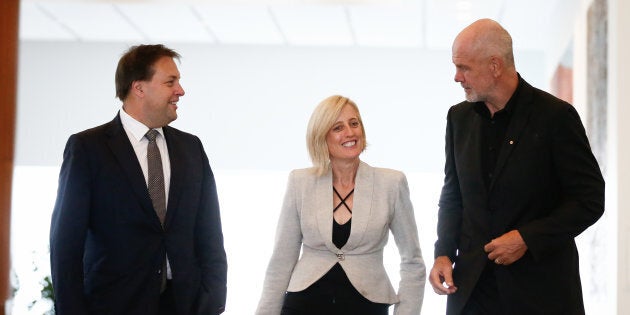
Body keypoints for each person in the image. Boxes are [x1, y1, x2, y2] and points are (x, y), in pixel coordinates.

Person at [428, 18, 605, 315]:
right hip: (472, 291)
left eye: (464, 67)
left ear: (495, 66)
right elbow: (453, 196)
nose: (457, 77)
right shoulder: (458, 119)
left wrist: (528, 238)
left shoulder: (555, 117)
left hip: (540, 293)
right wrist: (443, 252)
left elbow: (589, 200)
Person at [49, 44, 227, 315]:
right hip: (112, 304)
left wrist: (212, 301)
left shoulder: (191, 149)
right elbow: (65, 244)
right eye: (171, 82)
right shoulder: (88, 148)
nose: (180, 91)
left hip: (185, 304)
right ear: (139, 88)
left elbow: (210, 234)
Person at [255, 95, 425, 315]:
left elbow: (412, 262)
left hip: (367, 304)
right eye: (338, 127)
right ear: (321, 137)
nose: (350, 132)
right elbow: (281, 259)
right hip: (304, 304)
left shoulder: (391, 183)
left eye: (354, 124)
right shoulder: (300, 182)